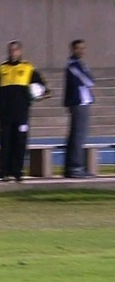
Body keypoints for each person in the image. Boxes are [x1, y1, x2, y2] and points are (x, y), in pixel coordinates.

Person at [0, 40, 51, 182]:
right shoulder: (2, 69)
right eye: (10, 50)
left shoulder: (28, 68)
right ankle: (4, 173)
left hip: (21, 114)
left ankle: (18, 172)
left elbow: (45, 90)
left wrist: (37, 97)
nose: (13, 53)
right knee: (5, 142)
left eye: (15, 50)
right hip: (5, 114)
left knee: (20, 142)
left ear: (20, 52)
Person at [63, 39, 94, 178]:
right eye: (78, 48)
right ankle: (75, 167)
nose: (81, 51)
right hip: (78, 103)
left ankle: (72, 166)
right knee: (77, 136)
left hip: (83, 102)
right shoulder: (73, 65)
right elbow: (89, 81)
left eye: (83, 48)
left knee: (78, 135)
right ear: (73, 49)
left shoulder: (80, 64)